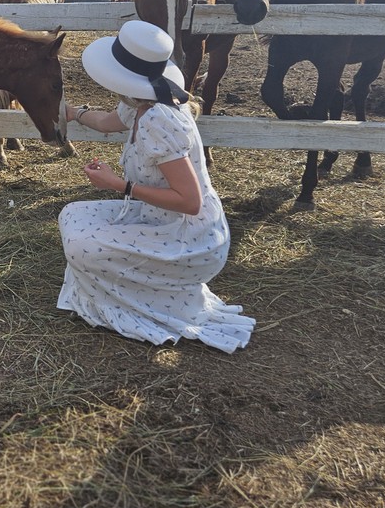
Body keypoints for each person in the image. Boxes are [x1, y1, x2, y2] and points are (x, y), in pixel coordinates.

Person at [57, 19, 255, 353]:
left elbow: (190, 201)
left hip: (191, 237)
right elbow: (107, 123)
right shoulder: (141, 103)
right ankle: (139, 288)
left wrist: (119, 185)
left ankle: (143, 303)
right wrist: (73, 113)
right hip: (159, 217)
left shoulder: (157, 120)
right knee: (72, 214)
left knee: (79, 245)